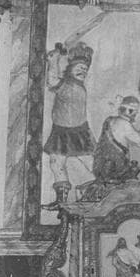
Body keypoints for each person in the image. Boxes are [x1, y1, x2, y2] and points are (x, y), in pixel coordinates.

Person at [43, 42, 96, 206]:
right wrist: (55, 60)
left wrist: (53, 60)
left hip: (77, 132)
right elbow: (55, 81)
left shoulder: (72, 86)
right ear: (70, 69)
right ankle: (62, 200)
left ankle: (94, 193)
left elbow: (52, 81)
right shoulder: (68, 84)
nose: (83, 71)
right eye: (79, 67)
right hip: (61, 131)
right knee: (56, 163)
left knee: (87, 163)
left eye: (85, 69)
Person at [92, 96, 140, 184]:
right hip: (115, 170)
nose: (136, 114)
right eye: (136, 112)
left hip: (100, 168)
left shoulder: (109, 120)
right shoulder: (123, 123)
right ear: (130, 111)